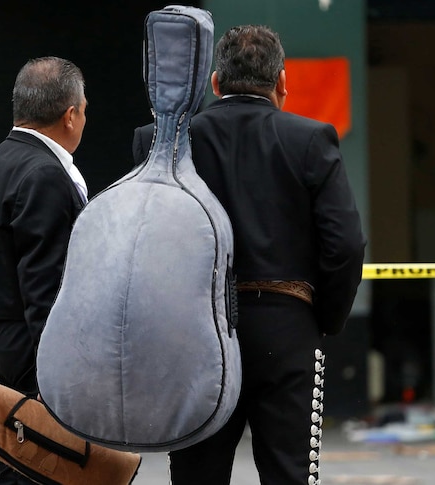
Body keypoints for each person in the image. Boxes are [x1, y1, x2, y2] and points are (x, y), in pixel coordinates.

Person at [132, 25, 366, 485]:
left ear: (216, 83)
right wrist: (321, 319)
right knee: (290, 474)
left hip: (197, 335)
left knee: (197, 476)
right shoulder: (312, 140)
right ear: (281, 81)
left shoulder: (163, 143)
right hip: (287, 327)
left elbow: (143, 244)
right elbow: (345, 244)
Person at [0, 56, 88, 485]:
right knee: (43, 469)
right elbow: (47, 288)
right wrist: (62, 371)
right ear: (70, 114)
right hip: (39, 352)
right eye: (84, 109)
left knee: (21, 463)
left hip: (3, 339)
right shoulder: (45, 176)